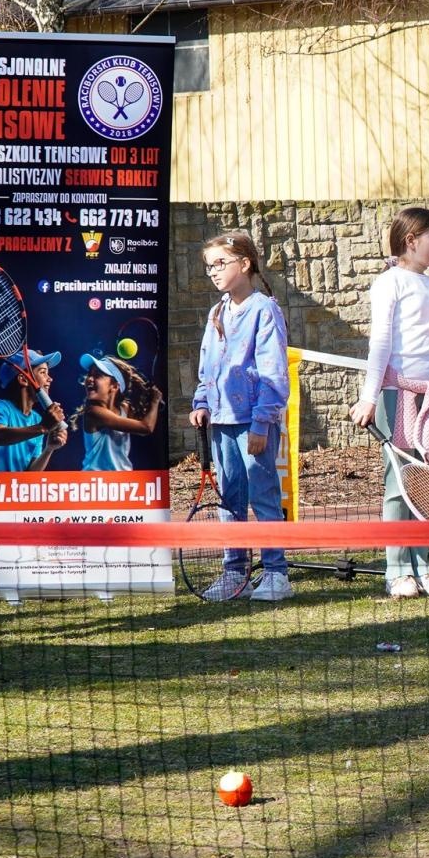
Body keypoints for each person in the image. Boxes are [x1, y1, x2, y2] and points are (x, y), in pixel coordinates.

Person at [349, 208, 429, 598]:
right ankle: (397, 569)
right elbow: (379, 343)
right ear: (411, 240)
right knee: (398, 481)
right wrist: (369, 396)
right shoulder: (389, 283)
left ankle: (423, 564)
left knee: (427, 478)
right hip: (397, 394)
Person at [191, 231, 293, 602]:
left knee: (264, 498)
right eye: (209, 266)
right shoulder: (216, 312)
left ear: (245, 264)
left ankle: (276, 575)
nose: (213, 272)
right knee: (230, 502)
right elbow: (208, 365)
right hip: (220, 423)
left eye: (221, 263)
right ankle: (235, 574)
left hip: (253, 424)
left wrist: (261, 422)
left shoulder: (264, 310)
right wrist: (202, 403)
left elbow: (273, 372)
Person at [0, 351, 67, 471]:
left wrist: (49, 449)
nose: (50, 379)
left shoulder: (37, 419)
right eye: (43, 372)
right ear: (23, 379)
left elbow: (31, 473)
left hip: (17, 488)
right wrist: (43, 428)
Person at [79, 353, 162, 472]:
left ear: (114, 386)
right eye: (89, 375)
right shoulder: (93, 412)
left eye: (97, 375)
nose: (89, 379)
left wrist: (148, 398)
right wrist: (155, 401)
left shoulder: (125, 408)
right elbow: (146, 427)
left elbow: (143, 427)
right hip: (95, 483)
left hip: (122, 481)